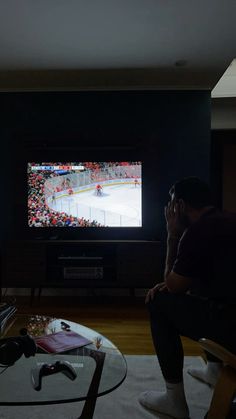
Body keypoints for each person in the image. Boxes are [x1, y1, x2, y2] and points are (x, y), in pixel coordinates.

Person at [139, 177, 236, 419]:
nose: (169, 210)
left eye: (171, 204)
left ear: (180, 206)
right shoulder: (228, 220)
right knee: (201, 283)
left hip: (233, 328)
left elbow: (173, 286)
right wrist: (178, 282)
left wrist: (172, 236)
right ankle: (214, 370)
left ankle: (174, 401)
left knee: (158, 302)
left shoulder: (197, 231)